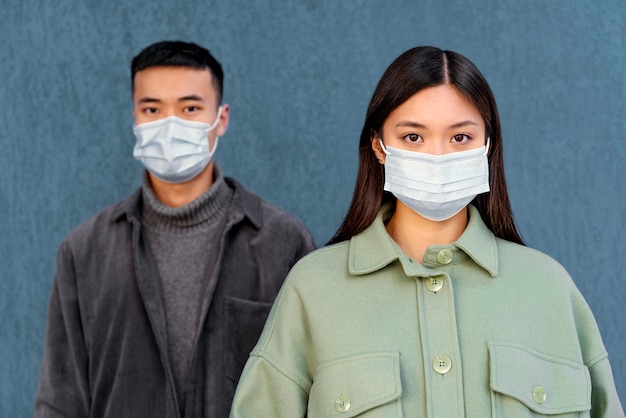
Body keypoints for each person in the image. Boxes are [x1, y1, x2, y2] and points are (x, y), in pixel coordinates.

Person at [230, 46, 624, 417]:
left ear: (487, 146)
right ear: (379, 146)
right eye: (413, 137)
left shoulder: (549, 288)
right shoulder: (313, 289)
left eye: (460, 137)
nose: (438, 156)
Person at [34, 40, 316, 418]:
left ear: (222, 118)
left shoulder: (284, 242)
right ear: (134, 117)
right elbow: (60, 401)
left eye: (190, 108)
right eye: (152, 108)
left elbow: (315, 384)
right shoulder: (84, 252)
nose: (170, 124)